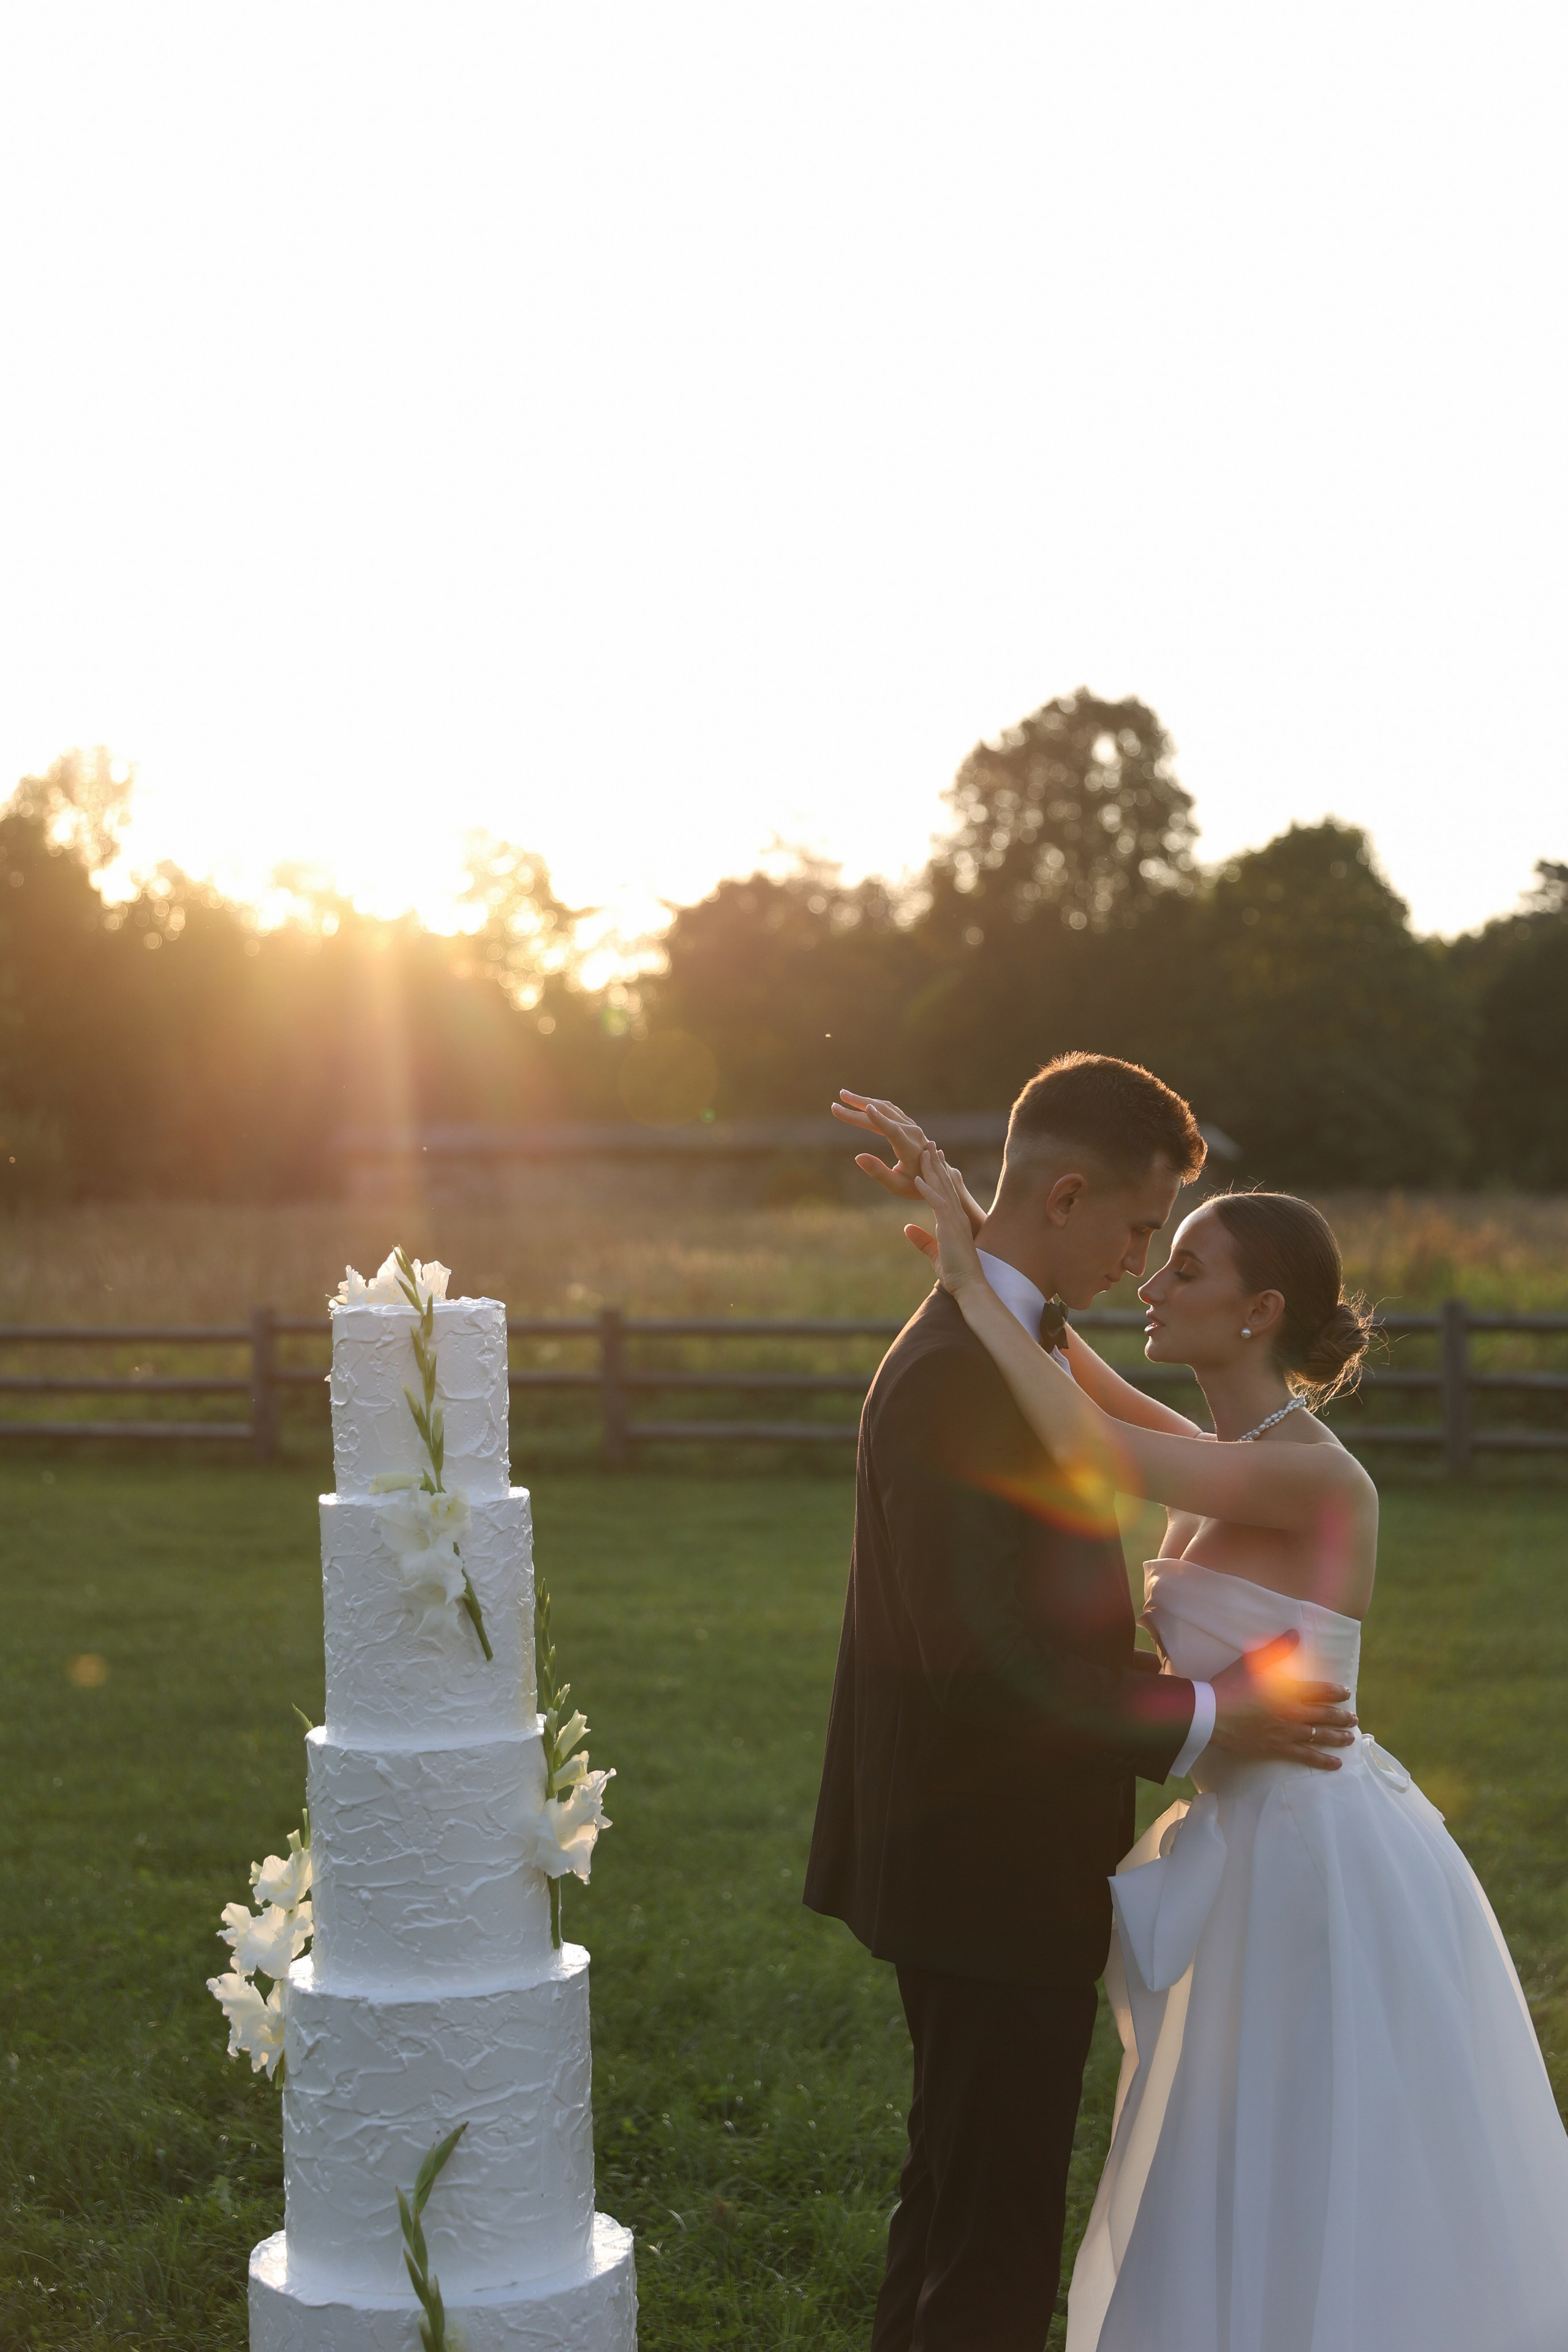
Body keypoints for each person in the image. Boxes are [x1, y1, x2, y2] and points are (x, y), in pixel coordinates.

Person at [902, 1123, 1568, 2352]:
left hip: (1312, 1854)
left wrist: (963, 1282)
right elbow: (1092, 1391)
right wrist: (1003, 1272)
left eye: (1184, 1271)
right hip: (1247, 1836)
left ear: (1258, 1311)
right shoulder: (1234, 1458)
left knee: (1299, 2145)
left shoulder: (1316, 1480)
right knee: (1222, 2141)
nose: (1149, 1285)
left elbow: (1093, 1450)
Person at [803, 1056, 1359, 2352]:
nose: (1139, 1259)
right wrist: (1211, 1716)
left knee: (956, 2204)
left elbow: (1089, 1421)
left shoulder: (996, 1342)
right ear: (1064, 1196)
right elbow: (990, 1667)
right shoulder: (960, 1370)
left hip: (985, 1863)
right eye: (1134, 1226)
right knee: (987, 2241)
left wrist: (966, 1255)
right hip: (984, 1869)